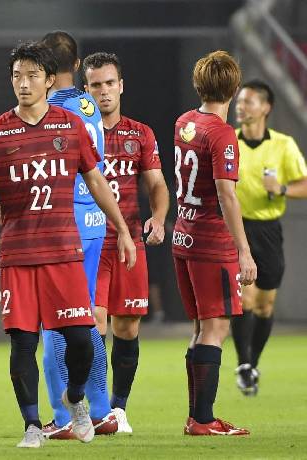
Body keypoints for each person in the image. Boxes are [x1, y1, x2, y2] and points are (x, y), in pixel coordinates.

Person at [0, 41, 136, 448]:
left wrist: (124, 230)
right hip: (20, 253)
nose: (23, 84)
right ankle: (31, 424)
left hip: (64, 251)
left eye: (31, 76)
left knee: (82, 339)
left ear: (47, 79)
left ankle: (76, 398)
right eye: (16, 76)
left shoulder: (70, 124)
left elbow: (96, 180)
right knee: (22, 341)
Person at [83, 51, 169, 433]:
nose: (103, 91)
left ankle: (117, 408)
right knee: (94, 322)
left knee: (128, 328)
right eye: (95, 85)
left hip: (129, 240)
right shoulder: (76, 132)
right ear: (86, 89)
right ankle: (96, 406)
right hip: (90, 241)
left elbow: (157, 184)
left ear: (121, 86)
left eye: (108, 83)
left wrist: (159, 217)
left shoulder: (141, 134)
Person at [38, 31, 117, 440]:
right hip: (93, 221)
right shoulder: (88, 105)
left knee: (55, 322)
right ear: (76, 64)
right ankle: (102, 409)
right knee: (84, 317)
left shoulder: (43, 111)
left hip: (60, 225)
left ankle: (64, 415)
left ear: (45, 71)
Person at [173, 50, 256, 436]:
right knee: (215, 329)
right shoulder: (222, 133)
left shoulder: (185, 122)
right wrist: (243, 250)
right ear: (234, 89)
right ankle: (203, 420)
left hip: (184, 236)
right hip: (210, 242)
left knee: (200, 327)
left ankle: (197, 417)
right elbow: (226, 194)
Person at [231, 80, 307, 395]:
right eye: (239, 101)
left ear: (266, 108)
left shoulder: (283, 145)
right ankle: (243, 363)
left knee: (264, 305)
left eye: (249, 102)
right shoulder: (227, 142)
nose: (241, 107)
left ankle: (252, 362)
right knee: (245, 300)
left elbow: (304, 184)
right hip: (237, 229)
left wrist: (283, 189)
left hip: (269, 230)